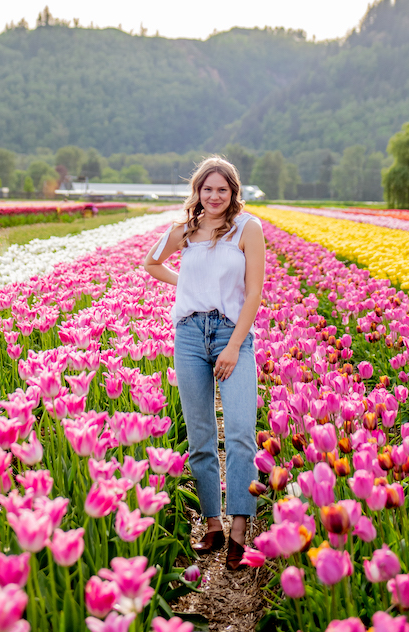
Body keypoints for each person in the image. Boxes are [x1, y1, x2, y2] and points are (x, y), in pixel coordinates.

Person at [144, 156, 265, 570]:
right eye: (206, 189)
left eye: (222, 189)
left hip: (233, 335)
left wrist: (233, 346)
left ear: (233, 192)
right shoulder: (187, 231)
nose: (214, 196)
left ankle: (238, 530)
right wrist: (188, 282)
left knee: (240, 433)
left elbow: (253, 294)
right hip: (190, 335)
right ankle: (212, 523)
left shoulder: (248, 228)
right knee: (200, 435)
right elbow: (151, 261)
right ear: (197, 192)